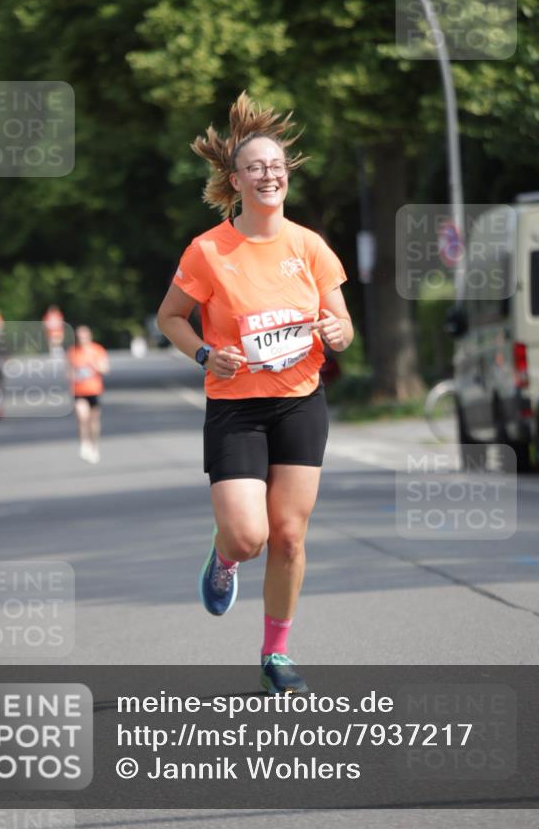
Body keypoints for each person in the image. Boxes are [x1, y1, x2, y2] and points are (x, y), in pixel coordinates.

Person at [157, 92, 353, 694]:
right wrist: (205, 353)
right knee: (249, 535)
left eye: (276, 166)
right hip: (235, 405)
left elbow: (343, 330)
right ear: (235, 180)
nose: (268, 174)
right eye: (255, 168)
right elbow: (170, 317)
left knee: (289, 535)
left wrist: (334, 329)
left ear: (286, 176)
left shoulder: (310, 247)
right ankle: (223, 559)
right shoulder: (209, 250)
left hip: (299, 399)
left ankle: (276, 652)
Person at [66, 326, 109, 463]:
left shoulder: (97, 350)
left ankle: (94, 446)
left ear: (89, 336)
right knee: (82, 417)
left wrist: (94, 365)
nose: (81, 339)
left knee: (93, 421)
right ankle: (84, 444)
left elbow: (105, 369)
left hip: (94, 390)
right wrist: (72, 378)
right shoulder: (72, 352)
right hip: (79, 391)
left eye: (83, 336)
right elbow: (68, 372)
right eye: (79, 337)